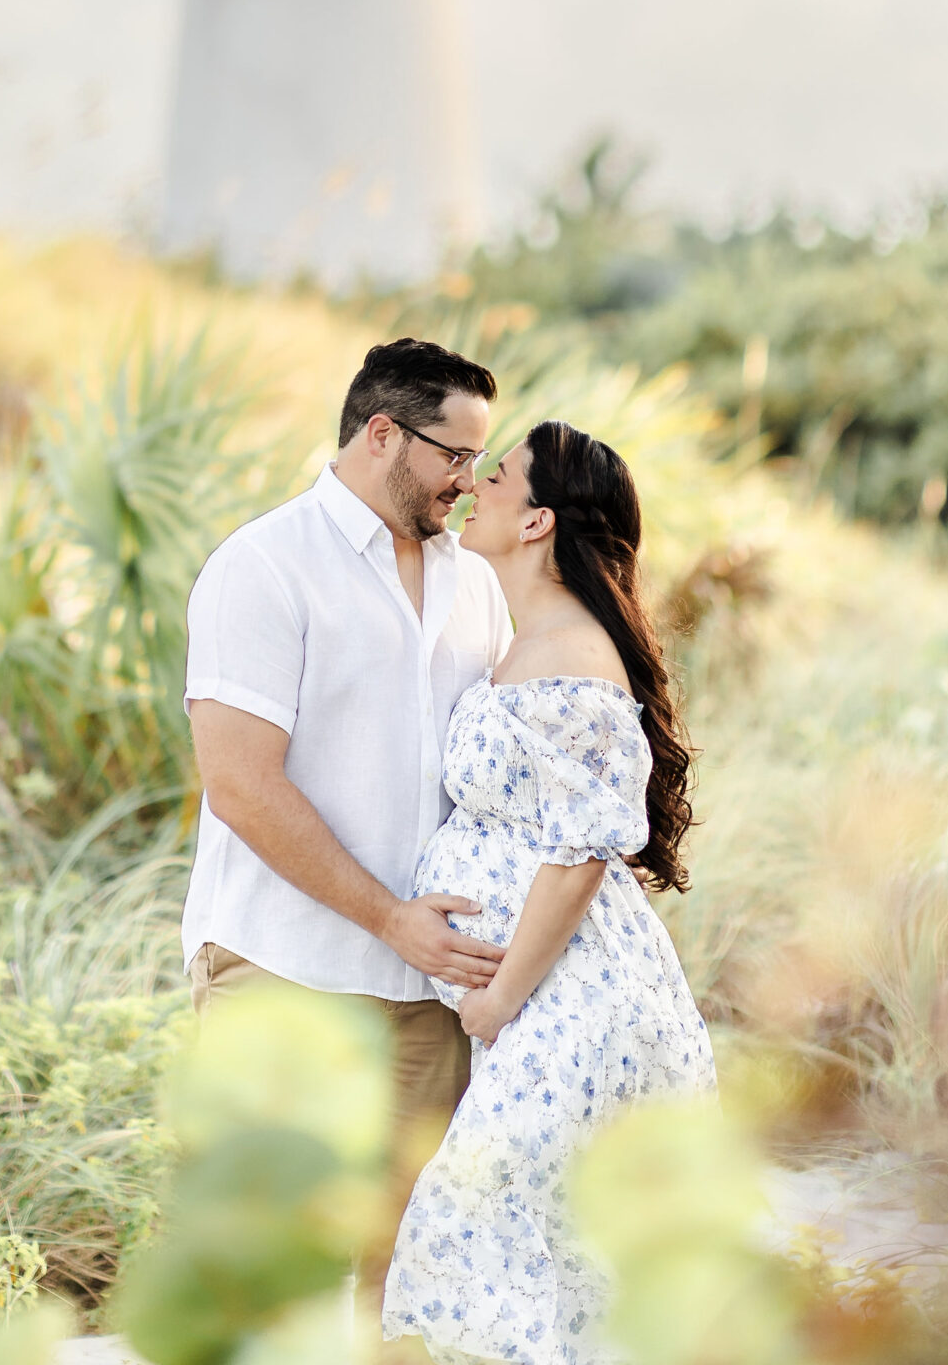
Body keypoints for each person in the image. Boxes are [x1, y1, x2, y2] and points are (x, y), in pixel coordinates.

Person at [182, 336, 515, 1333]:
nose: (469, 480)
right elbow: (240, 784)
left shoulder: (478, 582)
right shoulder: (263, 565)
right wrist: (388, 917)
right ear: (382, 434)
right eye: (454, 455)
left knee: (410, 1282)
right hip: (283, 971)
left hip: (429, 995)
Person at [383, 420, 715, 1365]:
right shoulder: (531, 639)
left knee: (476, 1236)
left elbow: (578, 857)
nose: (472, 485)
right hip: (541, 1003)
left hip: (567, 1005)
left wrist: (496, 998)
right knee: (547, 1269)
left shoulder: (570, 653)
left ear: (535, 523)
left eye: (495, 475)